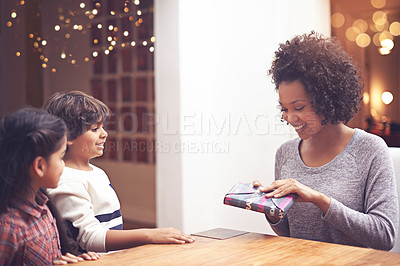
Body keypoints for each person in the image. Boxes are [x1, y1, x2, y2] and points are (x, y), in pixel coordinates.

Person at [253, 32, 399, 250]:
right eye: (284, 109)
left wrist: (320, 199)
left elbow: (385, 236)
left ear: (326, 99)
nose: (290, 118)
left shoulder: (370, 149)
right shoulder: (285, 153)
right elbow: (288, 231)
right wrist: (268, 208)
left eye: (299, 107)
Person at [43, 91, 195, 253]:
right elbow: (90, 237)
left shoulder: (98, 172)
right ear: (68, 137)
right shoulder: (66, 179)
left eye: (102, 127)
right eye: (94, 129)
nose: (104, 134)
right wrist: (149, 234)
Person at [0, 107, 100, 265]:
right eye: (61, 157)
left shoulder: (44, 206)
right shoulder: (8, 227)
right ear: (40, 166)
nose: (63, 165)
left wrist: (67, 260)